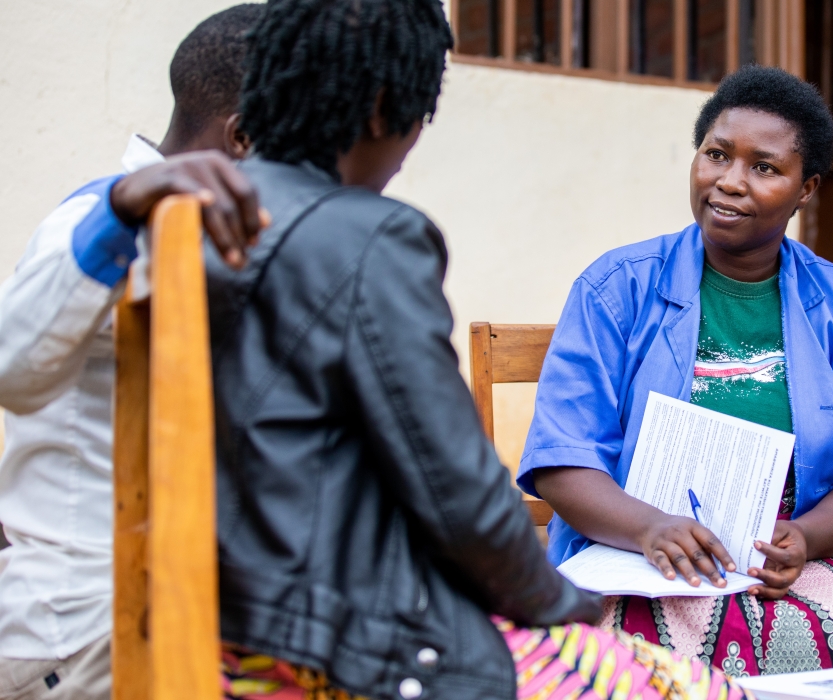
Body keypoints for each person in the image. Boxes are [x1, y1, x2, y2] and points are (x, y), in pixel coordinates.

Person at [210, 1, 753, 699]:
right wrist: (565, 608)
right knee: (702, 691)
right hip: (331, 645)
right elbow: (455, 489)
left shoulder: (190, 216)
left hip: (220, 622)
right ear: (383, 110)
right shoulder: (369, 238)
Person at [519, 66, 833, 677]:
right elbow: (561, 459)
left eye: (764, 168)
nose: (729, 182)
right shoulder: (617, 288)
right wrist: (651, 528)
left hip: (785, 565)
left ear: (806, 188)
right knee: (639, 648)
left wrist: (805, 540)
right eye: (716, 155)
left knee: (832, 631)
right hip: (633, 553)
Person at [0, 6, 266, 699]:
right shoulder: (96, 219)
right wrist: (120, 212)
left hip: (181, 618)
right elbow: (10, 366)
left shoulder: (234, 249)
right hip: (85, 637)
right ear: (242, 137)